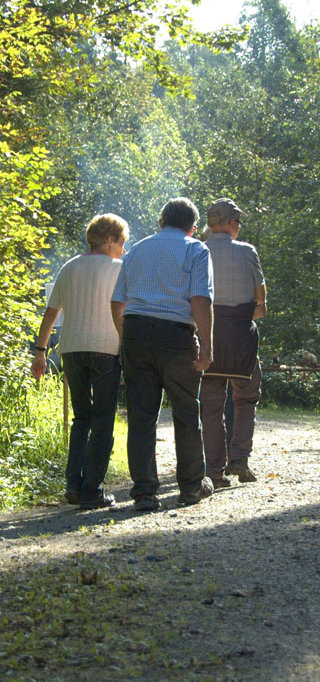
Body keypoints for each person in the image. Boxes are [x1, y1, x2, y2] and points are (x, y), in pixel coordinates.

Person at [110, 197, 214, 511]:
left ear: (160, 222)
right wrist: (207, 344)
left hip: (136, 331)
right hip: (176, 335)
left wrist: (125, 338)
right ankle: (190, 487)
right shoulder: (196, 249)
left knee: (141, 416)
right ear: (193, 227)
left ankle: (144, 492)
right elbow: (200, 298)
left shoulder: (137, 250)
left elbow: (117, 302)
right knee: (185, 410)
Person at [31, 214, 129, 509]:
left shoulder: (69, 266)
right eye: (122, 242)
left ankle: (73, 484)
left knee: (81, 419)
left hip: (71, 350)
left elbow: (50, 313)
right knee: (102, 422)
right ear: (109, 239)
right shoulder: (119, 269)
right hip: (106, 351)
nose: (124, 249)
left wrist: (40, 352)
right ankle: (91, 490)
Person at [199, 198, 267, 487]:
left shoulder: (197, 251)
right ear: (231, 223)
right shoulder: (247, 252)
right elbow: (261, 305)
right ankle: (239, 457)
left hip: (208, 338)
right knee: (246, 398)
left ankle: (214, 471)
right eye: (237, 222)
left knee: (211, 404)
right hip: (241, 337)